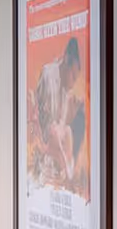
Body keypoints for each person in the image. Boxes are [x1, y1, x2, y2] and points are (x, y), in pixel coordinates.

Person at [32, 36, 86, 192]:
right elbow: (42, 118)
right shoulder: (49, 74)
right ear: (66, 61)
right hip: (45, 144)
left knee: (68, 130)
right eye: (73, 76)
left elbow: (62, 126)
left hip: (53, 147)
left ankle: (68, 171)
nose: (73, 82)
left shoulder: (66, 92)